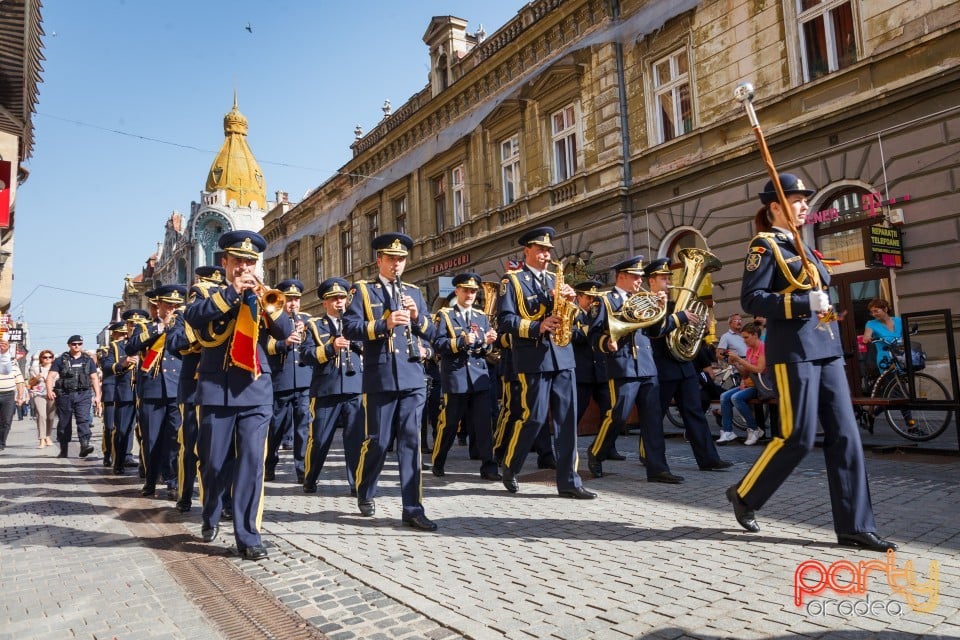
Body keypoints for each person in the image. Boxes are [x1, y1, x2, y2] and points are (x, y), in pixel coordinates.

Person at [726, 172, 897, 552]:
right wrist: (804, 302)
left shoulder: (803, 246)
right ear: (776, 207)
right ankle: (745, 495)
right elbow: (752, 300)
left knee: (846, 436)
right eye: (797, 199)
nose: (805, 205)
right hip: (794, 352)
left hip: (827, 349)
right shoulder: (765, 246)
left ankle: (855, 525)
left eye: (805, 199)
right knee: (797, 437)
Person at [184, 230, 292, 560]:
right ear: (225, 262)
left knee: (250, 464)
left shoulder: (263, 295)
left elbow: (284, 332)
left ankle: (248, 535)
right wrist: (232, 293)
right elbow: (194, 317)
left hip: (256, 390)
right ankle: (212, 509)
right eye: (238, 261)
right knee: (214, 464)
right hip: (217, 390)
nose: (244, 267)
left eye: (250, 262)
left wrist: (264, 302)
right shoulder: (207, 292)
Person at [343, 232, 438, 531]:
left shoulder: (415, 292)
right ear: (379, 261)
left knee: (411, 442)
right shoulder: (363, 291)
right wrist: (383, 324)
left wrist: (416, 318)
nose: (397, 264)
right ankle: (365, 487)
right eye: (392, 259)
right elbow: (350, 327)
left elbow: (432, 333)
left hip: (411, 376)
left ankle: (412, 508)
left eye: (401, 259)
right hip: (380, 376)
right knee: (379, 442)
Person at [497, 226, 596, 499]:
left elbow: (575, 320)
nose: (545, 254)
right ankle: (510, 464)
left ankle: (569, 482)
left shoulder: (556, 280)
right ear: (526, 250)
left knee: (567, 421)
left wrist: (571, 301)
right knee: (535, 418)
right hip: (533, 359)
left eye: (548, 250)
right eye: (540, 250)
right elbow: (505, 321)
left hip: (563, 357)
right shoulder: (512, 281)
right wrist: (537, 326)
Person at [587, 257, 685, 483]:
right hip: (622, 365)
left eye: (640, 277)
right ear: (621, 276)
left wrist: (662, 308)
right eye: (635, 277)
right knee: (619, 415)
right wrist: (605, 342)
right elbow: (593, 335)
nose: (639, 281)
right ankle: (596, 452)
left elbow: (656, 330)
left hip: (647, 365)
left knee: (652, 419)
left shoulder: (643, 299)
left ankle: (658, 468)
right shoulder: (605, 301)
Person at [644, 258, 732, 472]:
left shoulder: (676, 305)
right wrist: (679, 317)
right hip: (663, 367)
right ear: (651, 281)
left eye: (668, 277)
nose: (668, 281)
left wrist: (701, 326)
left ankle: (709, 459)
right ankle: (647, 455)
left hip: (685, 366)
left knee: (694, 412)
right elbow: (655, 332)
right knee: (656, 415)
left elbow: (690, 338)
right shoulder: (646, 304)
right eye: (663, 278)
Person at [166, 266, 225, 512]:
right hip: (192, 388)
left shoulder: (226, 312)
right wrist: (196, 338)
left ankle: (220, 500)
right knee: (190, 446)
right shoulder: (183, 314)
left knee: (218, 449)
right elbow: (173, 343)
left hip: (219, 386)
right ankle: (185, 493)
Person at [431, 272, 500, 480]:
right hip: (456, 376)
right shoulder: (444, 315)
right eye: (466, 290)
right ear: (457, 291)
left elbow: (486, 351)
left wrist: (489, 341)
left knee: (484, 425)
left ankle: (489, 467)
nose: (470, 294)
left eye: (473, 291)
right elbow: (438, 344)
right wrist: (461, 341)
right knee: (450, 423)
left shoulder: (481, 316)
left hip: (479, 377)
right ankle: (439, 460)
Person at [300, 277, 364, 494]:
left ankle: (356, 483)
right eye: (333, 298)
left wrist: (355, 342)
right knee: (319, 440)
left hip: (355, 388)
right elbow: (306, 355)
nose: (339, 302)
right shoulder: (315, 326)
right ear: (324, 303)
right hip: (326, 389)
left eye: (342, 298)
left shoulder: (356, 325)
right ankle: (310, 477)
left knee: (355, 439)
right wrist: (330, 348)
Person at [126, 284, 185, 498]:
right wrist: (159, 329)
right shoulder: (145, 327)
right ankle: (151, 479)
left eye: (176, 305)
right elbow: (131, 347)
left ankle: (171, 478)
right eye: (168, 305)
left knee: (174, 437)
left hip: (175, 388)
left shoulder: (182, 325)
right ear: (158, 305)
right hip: (151, 388)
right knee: (151, 439)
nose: (171, 309)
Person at [264, 278, 312, 484]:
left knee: (303, 427)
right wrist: (284, 342)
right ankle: (270, 463)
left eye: (296, 300)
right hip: (281, 381)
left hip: (303, 380)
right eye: (290, 299)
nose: (293, 304)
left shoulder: (308, 320)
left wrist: (305, 334)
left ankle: (302, 468)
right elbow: (265, 346)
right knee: (275, 427)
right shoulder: (272, 319)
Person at [572, 280, 615, 462]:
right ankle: (568, 450)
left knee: (610, 411)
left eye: (593, 297)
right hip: (582, 372)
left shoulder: (598, 313)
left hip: (600, 371)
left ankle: (607, 448)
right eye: (588, 297)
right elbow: (572, 335)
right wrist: (591, 331)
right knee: (575, 413)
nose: (591, 301)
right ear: (578, 297)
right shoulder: (573, 314)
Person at [45, 335, 101, 458]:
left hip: (84, 394)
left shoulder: (88, 360)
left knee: (83, 420)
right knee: (64, 422)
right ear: (69, 345)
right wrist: (49, 390)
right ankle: (63, 450)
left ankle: (84, 445)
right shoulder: (61, 360)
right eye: (74, 344)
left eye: (79, 344)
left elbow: (94, 378)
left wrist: (98, 396)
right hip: (65, 394)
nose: (77, 346)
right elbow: (50, 376)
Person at [717, 322, 766, 445]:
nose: (744, 341)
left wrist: (739, 359)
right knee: (724, 396)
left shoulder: (763, 348)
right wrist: (736, 364)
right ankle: (728, 431)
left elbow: (759, 369)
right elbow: (745, 373)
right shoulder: (749, 350)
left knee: (736, 398)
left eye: (746, 337)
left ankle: (754, 429)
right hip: (749, 384)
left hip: (761, 386)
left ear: (755, 335)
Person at [0, 336, 26, 452]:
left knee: (6, 420)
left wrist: (20, 397)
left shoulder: (14, 367)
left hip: (9, 396)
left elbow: (20, 382)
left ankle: (1, 442)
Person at [862, 298, 901, 372]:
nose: (873, 314)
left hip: (900, 356)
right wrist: (868, 338)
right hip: (885, 357)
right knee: (889, 381)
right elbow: (866, 337)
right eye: (872, 312)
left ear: (885, 309)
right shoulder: (871, 323)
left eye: (876, 311)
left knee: (903, 379)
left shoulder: (898, 321)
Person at [29, 349, 57, 448]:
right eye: (45, 357)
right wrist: (37, 377)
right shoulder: (35, 369)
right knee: (41, 415)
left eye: (50, 357)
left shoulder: (56, 369)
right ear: (41, 359)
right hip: (38, 394)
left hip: (52, 394)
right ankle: (41, 439)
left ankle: (48, 436)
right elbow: (30, 384)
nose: (47, 359)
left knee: (50, 417)